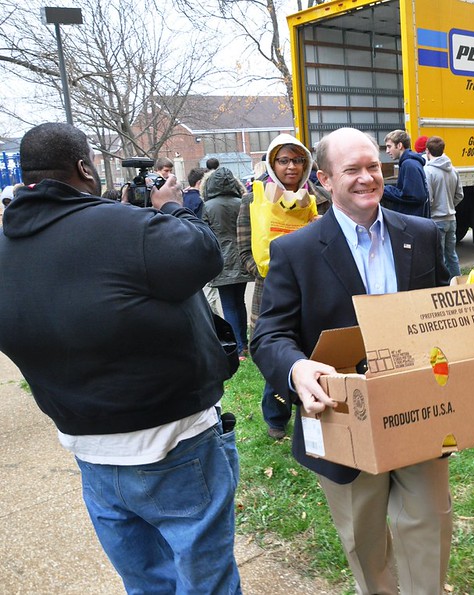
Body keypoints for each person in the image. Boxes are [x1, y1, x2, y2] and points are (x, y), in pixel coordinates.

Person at [0, 122, 241, 593]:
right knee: (207, 583)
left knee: (148, 584)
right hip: (176, 445)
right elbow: (203, 254)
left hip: (88, 451)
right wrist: (171, 205)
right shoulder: (128, 228)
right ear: (85, 168)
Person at [250, 127, 452, 594]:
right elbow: (269, 334)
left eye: (373, 166)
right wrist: (296, 368)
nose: (367, 178)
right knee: (364, 540)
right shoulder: (295, 250)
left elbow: (440, 310)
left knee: (429, 526)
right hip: (342, 417)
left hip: (419, 408)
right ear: (324, 178)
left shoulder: (419, 234)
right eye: (352, 170)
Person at [237, 133, 318, 440]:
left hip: (312, 292)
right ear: (272, 164)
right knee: (278, 355)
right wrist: (271, 272)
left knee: (310, 352)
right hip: (270, 295)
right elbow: (245, 253)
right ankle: (276, 419)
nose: (291, 167)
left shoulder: (317, 199)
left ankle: (312, 416)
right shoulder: (253, 201)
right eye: (283, 161)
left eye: (298, 160)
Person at [204, 166, 254, 359]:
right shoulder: (241, 202)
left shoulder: (208, 206)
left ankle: (238, 347)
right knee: (239, 303)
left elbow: (205, 233)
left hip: (222, 259)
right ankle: (244, 344)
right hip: (241, 255)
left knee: (229, 305)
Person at [424, 135, 464, 279]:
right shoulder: (453, 170)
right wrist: (449, 206)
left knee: (438, 258)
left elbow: (428, 198)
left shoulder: (428, 171)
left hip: (436, 220)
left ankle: (442, 286)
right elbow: (460, 195)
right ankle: (458, 284)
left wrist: (435, 208)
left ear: (427, 151)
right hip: (451, 219)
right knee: (451, 255)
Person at [382, 129, 430, 217]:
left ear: (399, 145)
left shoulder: (409, 164)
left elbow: (414, 196)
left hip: (413, 221)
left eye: (389, 146)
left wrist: (385, 190)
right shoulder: (409, 163)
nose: (387, 151)